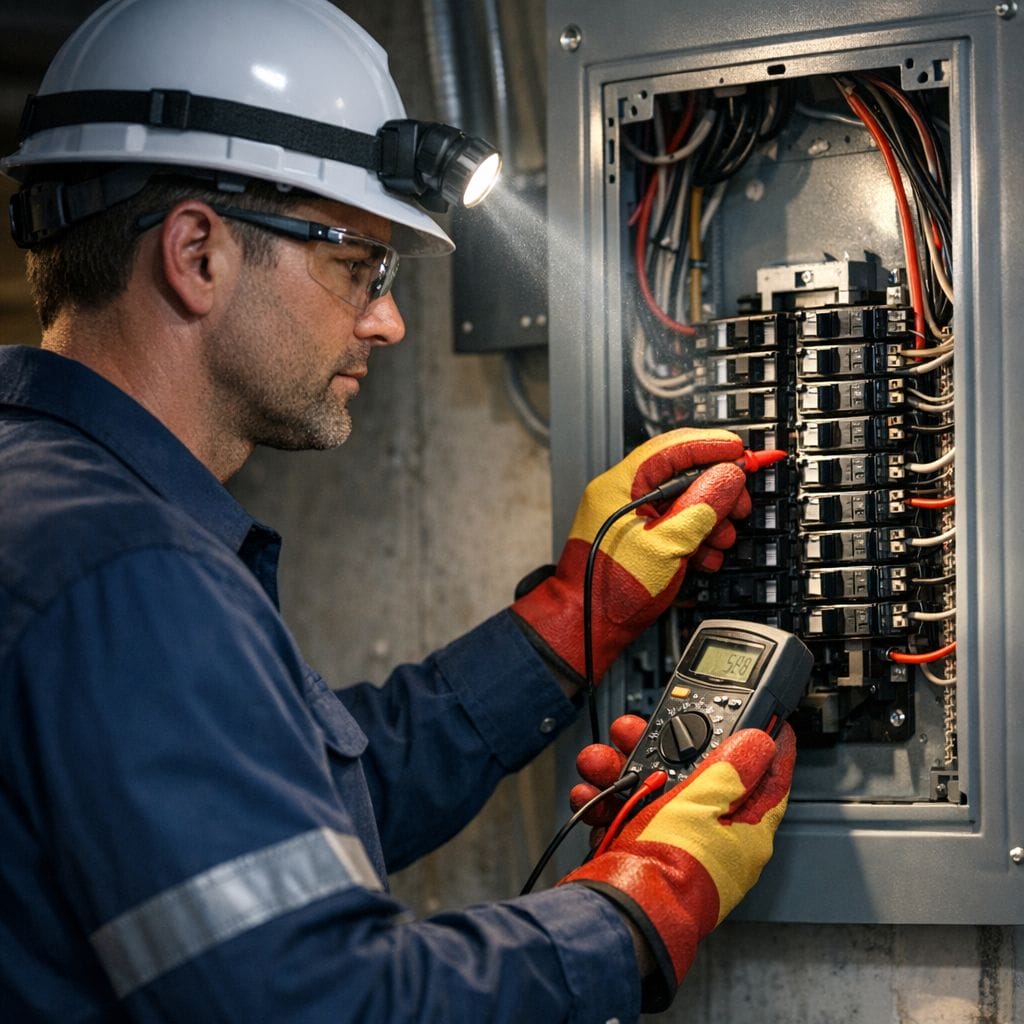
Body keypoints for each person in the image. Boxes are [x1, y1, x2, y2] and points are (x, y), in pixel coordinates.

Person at [0, 1, 796, 1020]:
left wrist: (568, 619)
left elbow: (292, 809)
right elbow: (322, 1001)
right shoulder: (128, 574)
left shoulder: (45, 505)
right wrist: (632, 913)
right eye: (355, 268)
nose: (388, 319)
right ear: (197, 253)